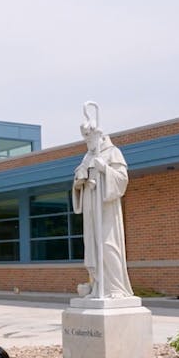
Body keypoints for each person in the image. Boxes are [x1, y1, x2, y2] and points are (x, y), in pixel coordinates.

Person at [72, 104, 134, 299]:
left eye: (89, 138)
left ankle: (115, 288)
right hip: (91, 204)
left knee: (108, 244)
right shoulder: (88, 156)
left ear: (99, 136)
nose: (87, 142)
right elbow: (79, 174)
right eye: (85, 139)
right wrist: (80, 178)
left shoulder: (112, 152)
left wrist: (105, 169)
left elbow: (122, 179)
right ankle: (98, 286)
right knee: (93, 245)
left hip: (106, 206)